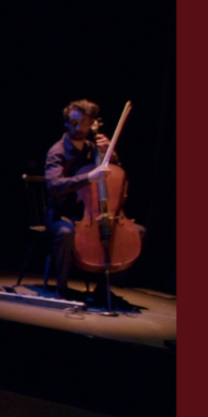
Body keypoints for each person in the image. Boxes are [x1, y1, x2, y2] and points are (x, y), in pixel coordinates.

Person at [43, 99, 143, 303]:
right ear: (66, 123)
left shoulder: (93, 148)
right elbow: (54, 185)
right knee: (65, 232)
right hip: (62, 212)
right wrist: (89, 177)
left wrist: (109, 154)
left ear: (91, 124)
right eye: (73, 122)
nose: (78, 127)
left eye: (83, 123)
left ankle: (103, 289)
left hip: (91, 214)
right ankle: (61, 290)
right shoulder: (58, 151)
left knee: (137, 232)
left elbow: (115, 174)